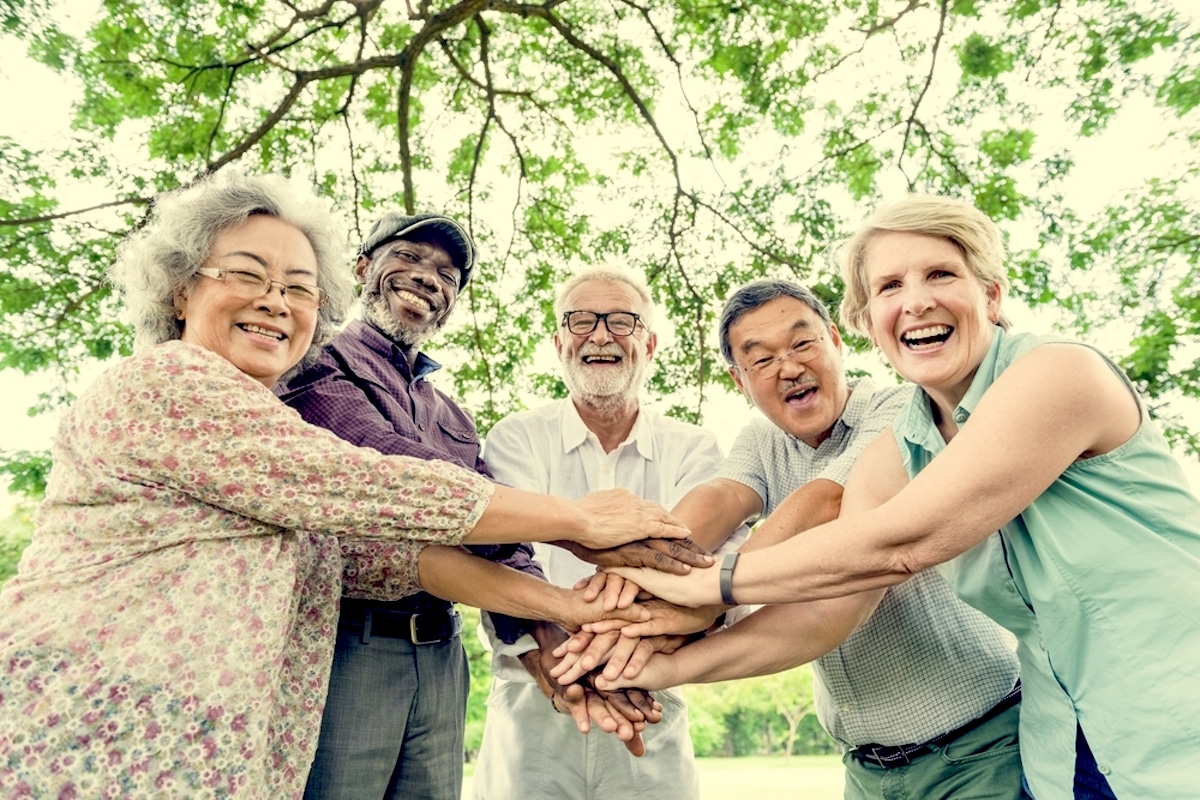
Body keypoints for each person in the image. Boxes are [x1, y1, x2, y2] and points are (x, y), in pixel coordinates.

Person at [0, 172, 687, 799]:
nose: (275, 302)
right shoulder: (177, 380)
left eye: (297, 288)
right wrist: (577, 520)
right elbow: (364, 482)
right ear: (183, 289)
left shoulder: (442, 415)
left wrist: (565, 619)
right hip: (97, 719)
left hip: (237, 726)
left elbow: (387, 555)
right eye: (248, 274)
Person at [612, 194, 1200, 800]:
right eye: (889, 286)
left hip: (1171, 724)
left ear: (991, 296)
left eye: (940, 274)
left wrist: (705, 585)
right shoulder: (910, 438)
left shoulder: (1059, 372)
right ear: (870, 320)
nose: (915, 300)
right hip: (1065, 744)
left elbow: (898, 541)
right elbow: (832, 596)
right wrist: (653, 662)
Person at [575, 279, 1024, 800]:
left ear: (835, 340)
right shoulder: (762, 440)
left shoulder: (905, 408)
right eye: (760, 360)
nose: (788, 368)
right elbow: (721, 498)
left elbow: (829, 501)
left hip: (978, 750)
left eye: (802, 344)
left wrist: (704, 599)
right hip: (867, 770)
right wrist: (626, 601)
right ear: (739, 381)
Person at [278, 214, 676, 799]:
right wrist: (577, 526)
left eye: (447, 274)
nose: (427, 278)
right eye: (409, 258)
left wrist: (552, 645)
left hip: (443, 652)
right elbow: (398, 474)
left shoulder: (453, 416)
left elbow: (501, 539)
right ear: (363, 269)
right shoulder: (319, 363)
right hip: (353, 646)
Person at [471, 266, 744, 799]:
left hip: (648, 698)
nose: (600, 335)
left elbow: (704, 563)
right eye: (581, 321)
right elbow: (503, 550)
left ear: (650, 343)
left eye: (622, 321)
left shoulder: (693, 448)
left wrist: (613, 658)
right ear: (558, 342)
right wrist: (549, 656)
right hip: (532, 699)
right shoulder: (517, 437)